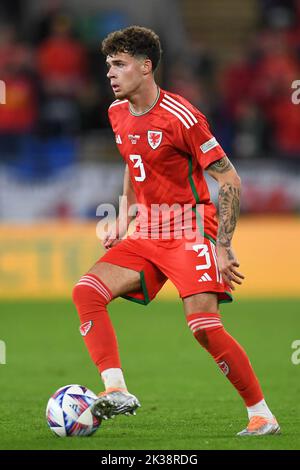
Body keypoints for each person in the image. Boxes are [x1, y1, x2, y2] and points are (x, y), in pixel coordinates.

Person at [72, 26, 280, 436]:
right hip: (148, 230)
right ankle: (116, 390)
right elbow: (134, 165)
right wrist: (124, 215)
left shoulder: (182, 117)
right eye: (107, 66)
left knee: (203, 326)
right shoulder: (116, 113)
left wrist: (222, 245)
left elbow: (231, 180)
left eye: (119, 65)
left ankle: (261, 414)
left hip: (190, 228)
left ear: (146, 67)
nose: (110, 74)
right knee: (86, 291)